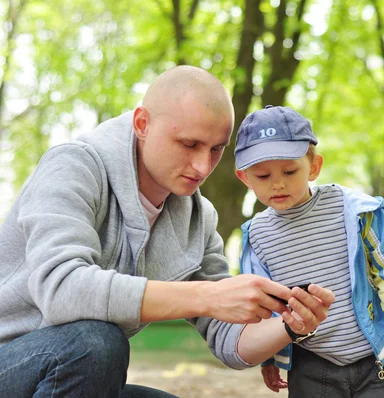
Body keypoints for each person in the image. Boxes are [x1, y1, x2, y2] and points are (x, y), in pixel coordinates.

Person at [0, 66, 334, 397]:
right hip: (15, 362)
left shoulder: (197, 218)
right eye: (189, 144)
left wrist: (291, 325)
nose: (203, 166)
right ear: (142, 124)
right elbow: (62, 290)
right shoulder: (73, 166)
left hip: (75, 374)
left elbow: (230, 342)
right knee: (94, 342)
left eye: (216, 149)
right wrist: (209, 297)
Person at [234, 105, 384, 397]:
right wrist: (268, 356)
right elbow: (262, 304)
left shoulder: (352, 209)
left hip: (373, 354)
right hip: (311, 362)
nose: (278, 183)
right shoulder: (257, 235)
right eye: (262, 176)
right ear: (244, 178)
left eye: (289, 170)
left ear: (314, 166)